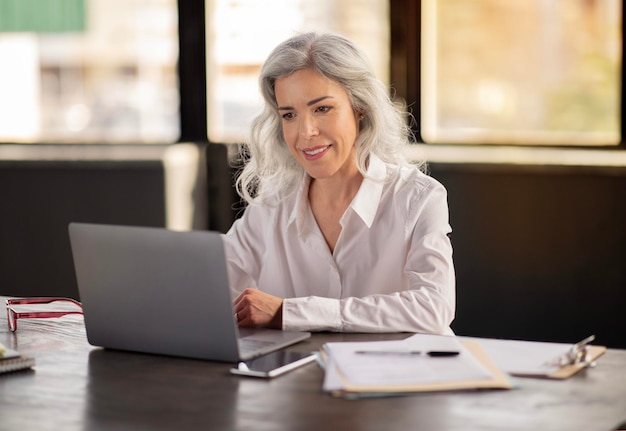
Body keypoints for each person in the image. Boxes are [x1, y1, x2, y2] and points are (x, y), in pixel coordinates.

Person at [223, 32, 455, 335]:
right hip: (297, 378)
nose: (305, 132)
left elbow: (434, 308)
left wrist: (290, 312)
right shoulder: (272, 203)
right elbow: (213, 285)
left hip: (397, 377)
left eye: (322, 109)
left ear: (360, 108)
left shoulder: (419, 198)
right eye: (289, 115)